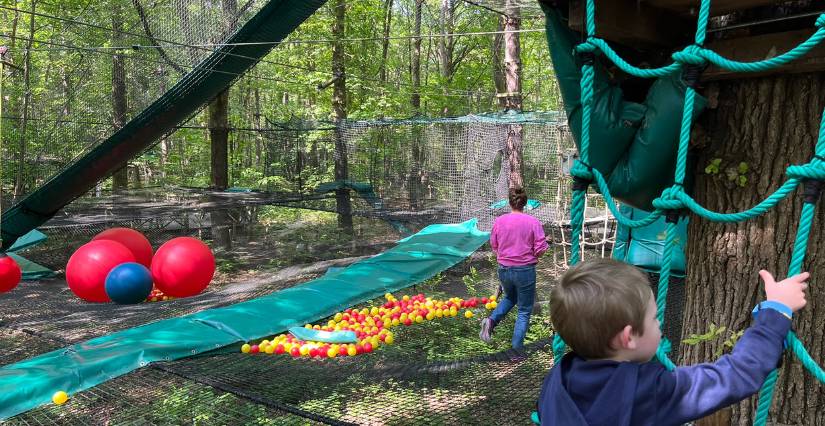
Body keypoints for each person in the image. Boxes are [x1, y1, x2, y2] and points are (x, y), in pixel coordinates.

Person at [537, 257, 809, 426]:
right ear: (628, 337)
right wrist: (775, 313)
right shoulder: (651, 391)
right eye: (654, 319)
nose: (659, 324)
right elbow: (736, 374)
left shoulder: (557, 381)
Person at [479, 186, 549, 349]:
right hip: (524, 271)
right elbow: (540, 250)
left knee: (510, 297)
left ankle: (490, 321)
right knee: (524, 312)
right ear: (525, 204)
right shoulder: (533, 222)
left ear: (510, 203)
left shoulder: (499, 221)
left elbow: (494, 246)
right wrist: (542, 248)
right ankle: (516, 353)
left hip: (504, 269)